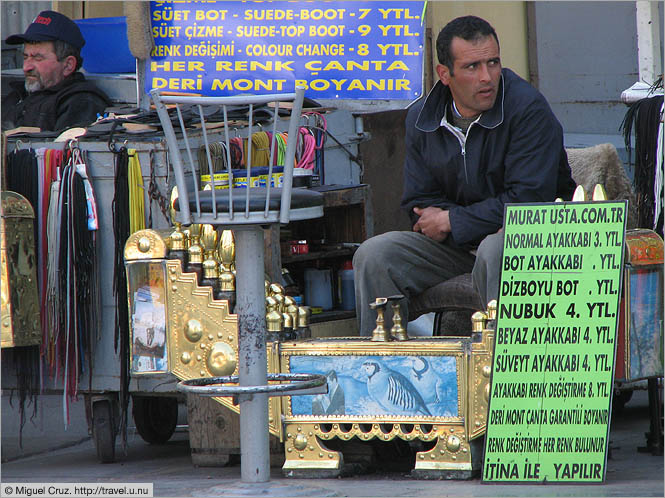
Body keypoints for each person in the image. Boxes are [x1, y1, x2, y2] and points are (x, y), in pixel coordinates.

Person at [353, 16, 576, 335]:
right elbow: (419, 204)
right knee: (374, 255)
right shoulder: (422, 117)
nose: (487, 77)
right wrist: (454, 222)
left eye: (493, 62)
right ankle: (386, 372)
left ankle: (505, 375)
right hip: (458, 248)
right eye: (472, 67)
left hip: (531, 243)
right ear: (445, 74)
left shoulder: (527, 109)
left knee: (496, 249)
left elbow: (527, 204)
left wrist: (451, 221)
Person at [2, 10, 110, 132]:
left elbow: (65, 148)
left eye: (38, 58)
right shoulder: (16, 96)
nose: (26, 67)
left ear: (68, 65)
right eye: (25, 57)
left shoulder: (81, 102)